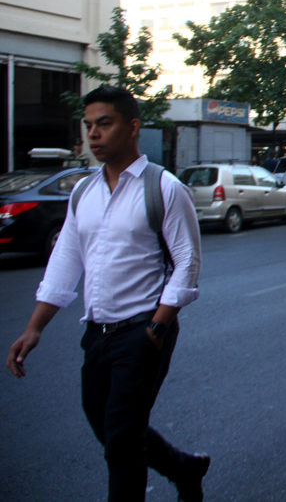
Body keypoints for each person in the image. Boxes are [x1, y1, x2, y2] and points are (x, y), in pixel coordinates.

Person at [6, 86, 209, 501]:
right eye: (88, 126)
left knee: (121, 441)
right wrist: (34, 327)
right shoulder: (84, 191)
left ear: (132, 128)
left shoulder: (164, 188)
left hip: (142, 331)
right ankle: (182, 467)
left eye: (104, 124)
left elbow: (187, 262)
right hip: (96, 333)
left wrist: (158, 326)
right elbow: (65, 260)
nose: (93, 135)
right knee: (106, 422)